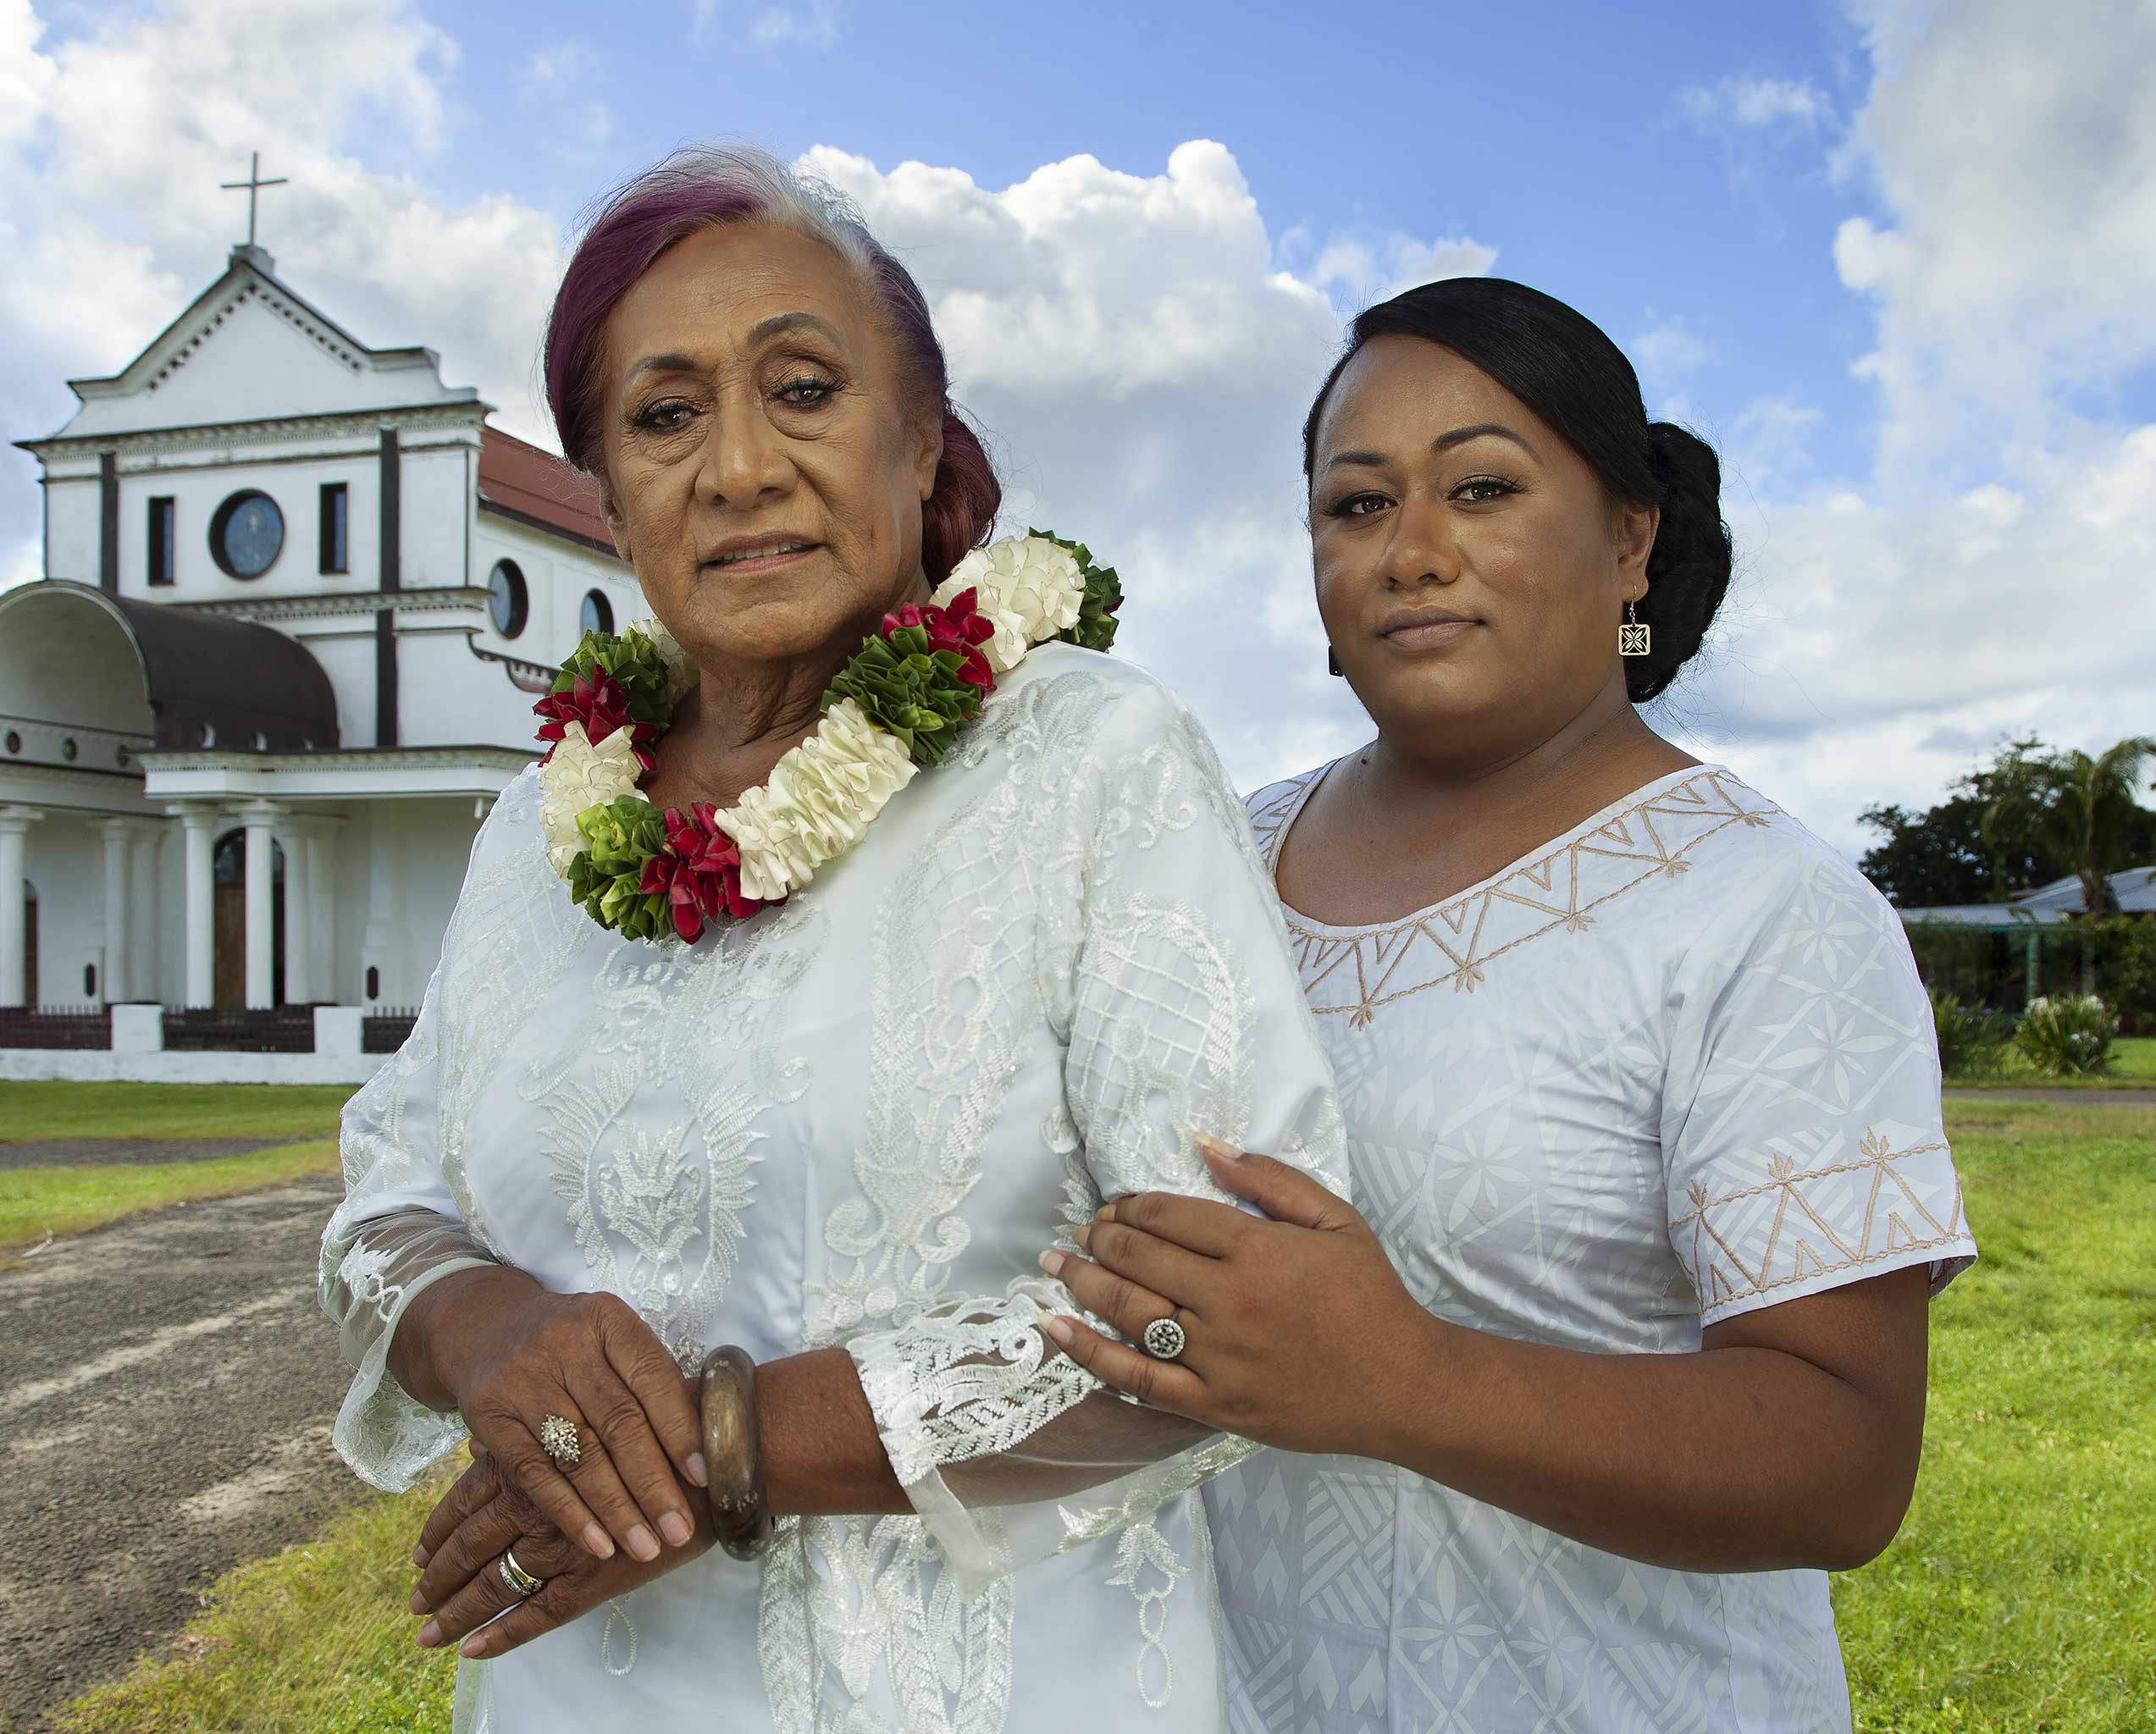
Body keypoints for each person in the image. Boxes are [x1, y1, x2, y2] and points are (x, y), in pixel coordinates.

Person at [318, 146, 1345, 1734]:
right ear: (603, 485)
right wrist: (490, 1329)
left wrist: (717, 1445)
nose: (736, 466)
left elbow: (1236, 1295)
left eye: (801, 388)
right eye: (664, 415)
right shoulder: (540, 826)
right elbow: (389, 1187)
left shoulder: (1084, 757)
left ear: (920, 437)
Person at [1042, 277, 1977, 1733]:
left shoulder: (1759, 907)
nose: (1412, 553)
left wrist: (1405, 1378)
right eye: (1356, 507)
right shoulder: (1200, 860)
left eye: (1480, 487)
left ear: (1628, 541)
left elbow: (1845, 1457)